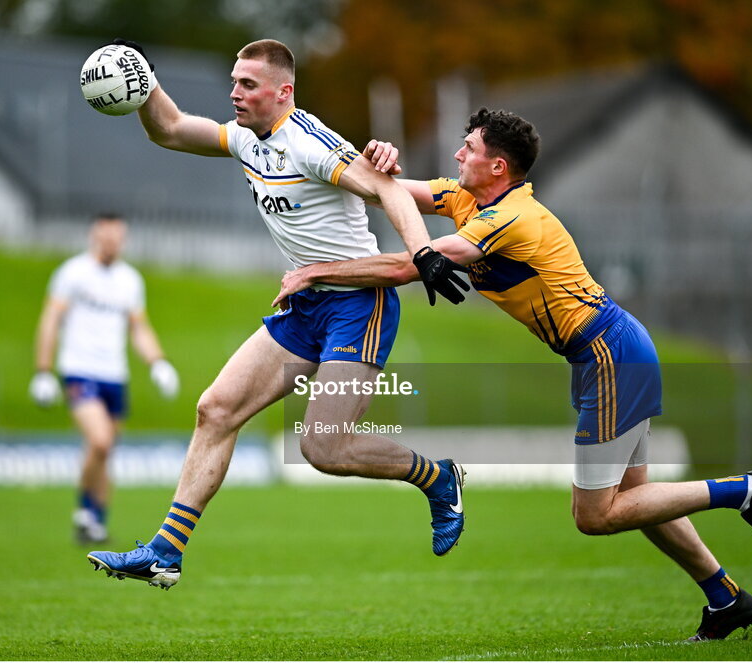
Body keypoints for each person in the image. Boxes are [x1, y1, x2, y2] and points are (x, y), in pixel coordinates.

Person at [273, 108, 752, 641]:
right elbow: (386, 191)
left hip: (610, 354)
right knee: (636, 500)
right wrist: (368, 160)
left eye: (468, 147)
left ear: (498, 166)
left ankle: (745, 490)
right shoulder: (464, 196)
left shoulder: (511, 218)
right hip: (604, 354)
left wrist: (312, 273)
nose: (457, 154)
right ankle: (725, 598)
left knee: (596, 514)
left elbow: (410, 265)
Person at [85, 39, 470, 589]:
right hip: (304, 303)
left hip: (358, 305)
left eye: (248, 84)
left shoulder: (310, 143)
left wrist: (425, 252)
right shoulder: (244, 137)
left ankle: (437, 478)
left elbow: (389, 190)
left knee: (323, 446)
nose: (234, 93)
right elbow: (168, 129)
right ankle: (164, 553)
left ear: (283, 91)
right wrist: (140, 81)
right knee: (215, 409)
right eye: (234, 81)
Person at [30, 212, 180, 544]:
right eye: (106, 237)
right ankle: (84, 511)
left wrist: (158, 363)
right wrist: (43, 370)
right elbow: (50, 320)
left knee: (105, 451)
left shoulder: (130, 280)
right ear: (94, 236)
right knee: (99, 440)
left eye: (117, 238)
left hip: (115, 374)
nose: (111, 244)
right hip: (80, 369)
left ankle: (95, 522)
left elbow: (138, 328)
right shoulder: (72, 273)